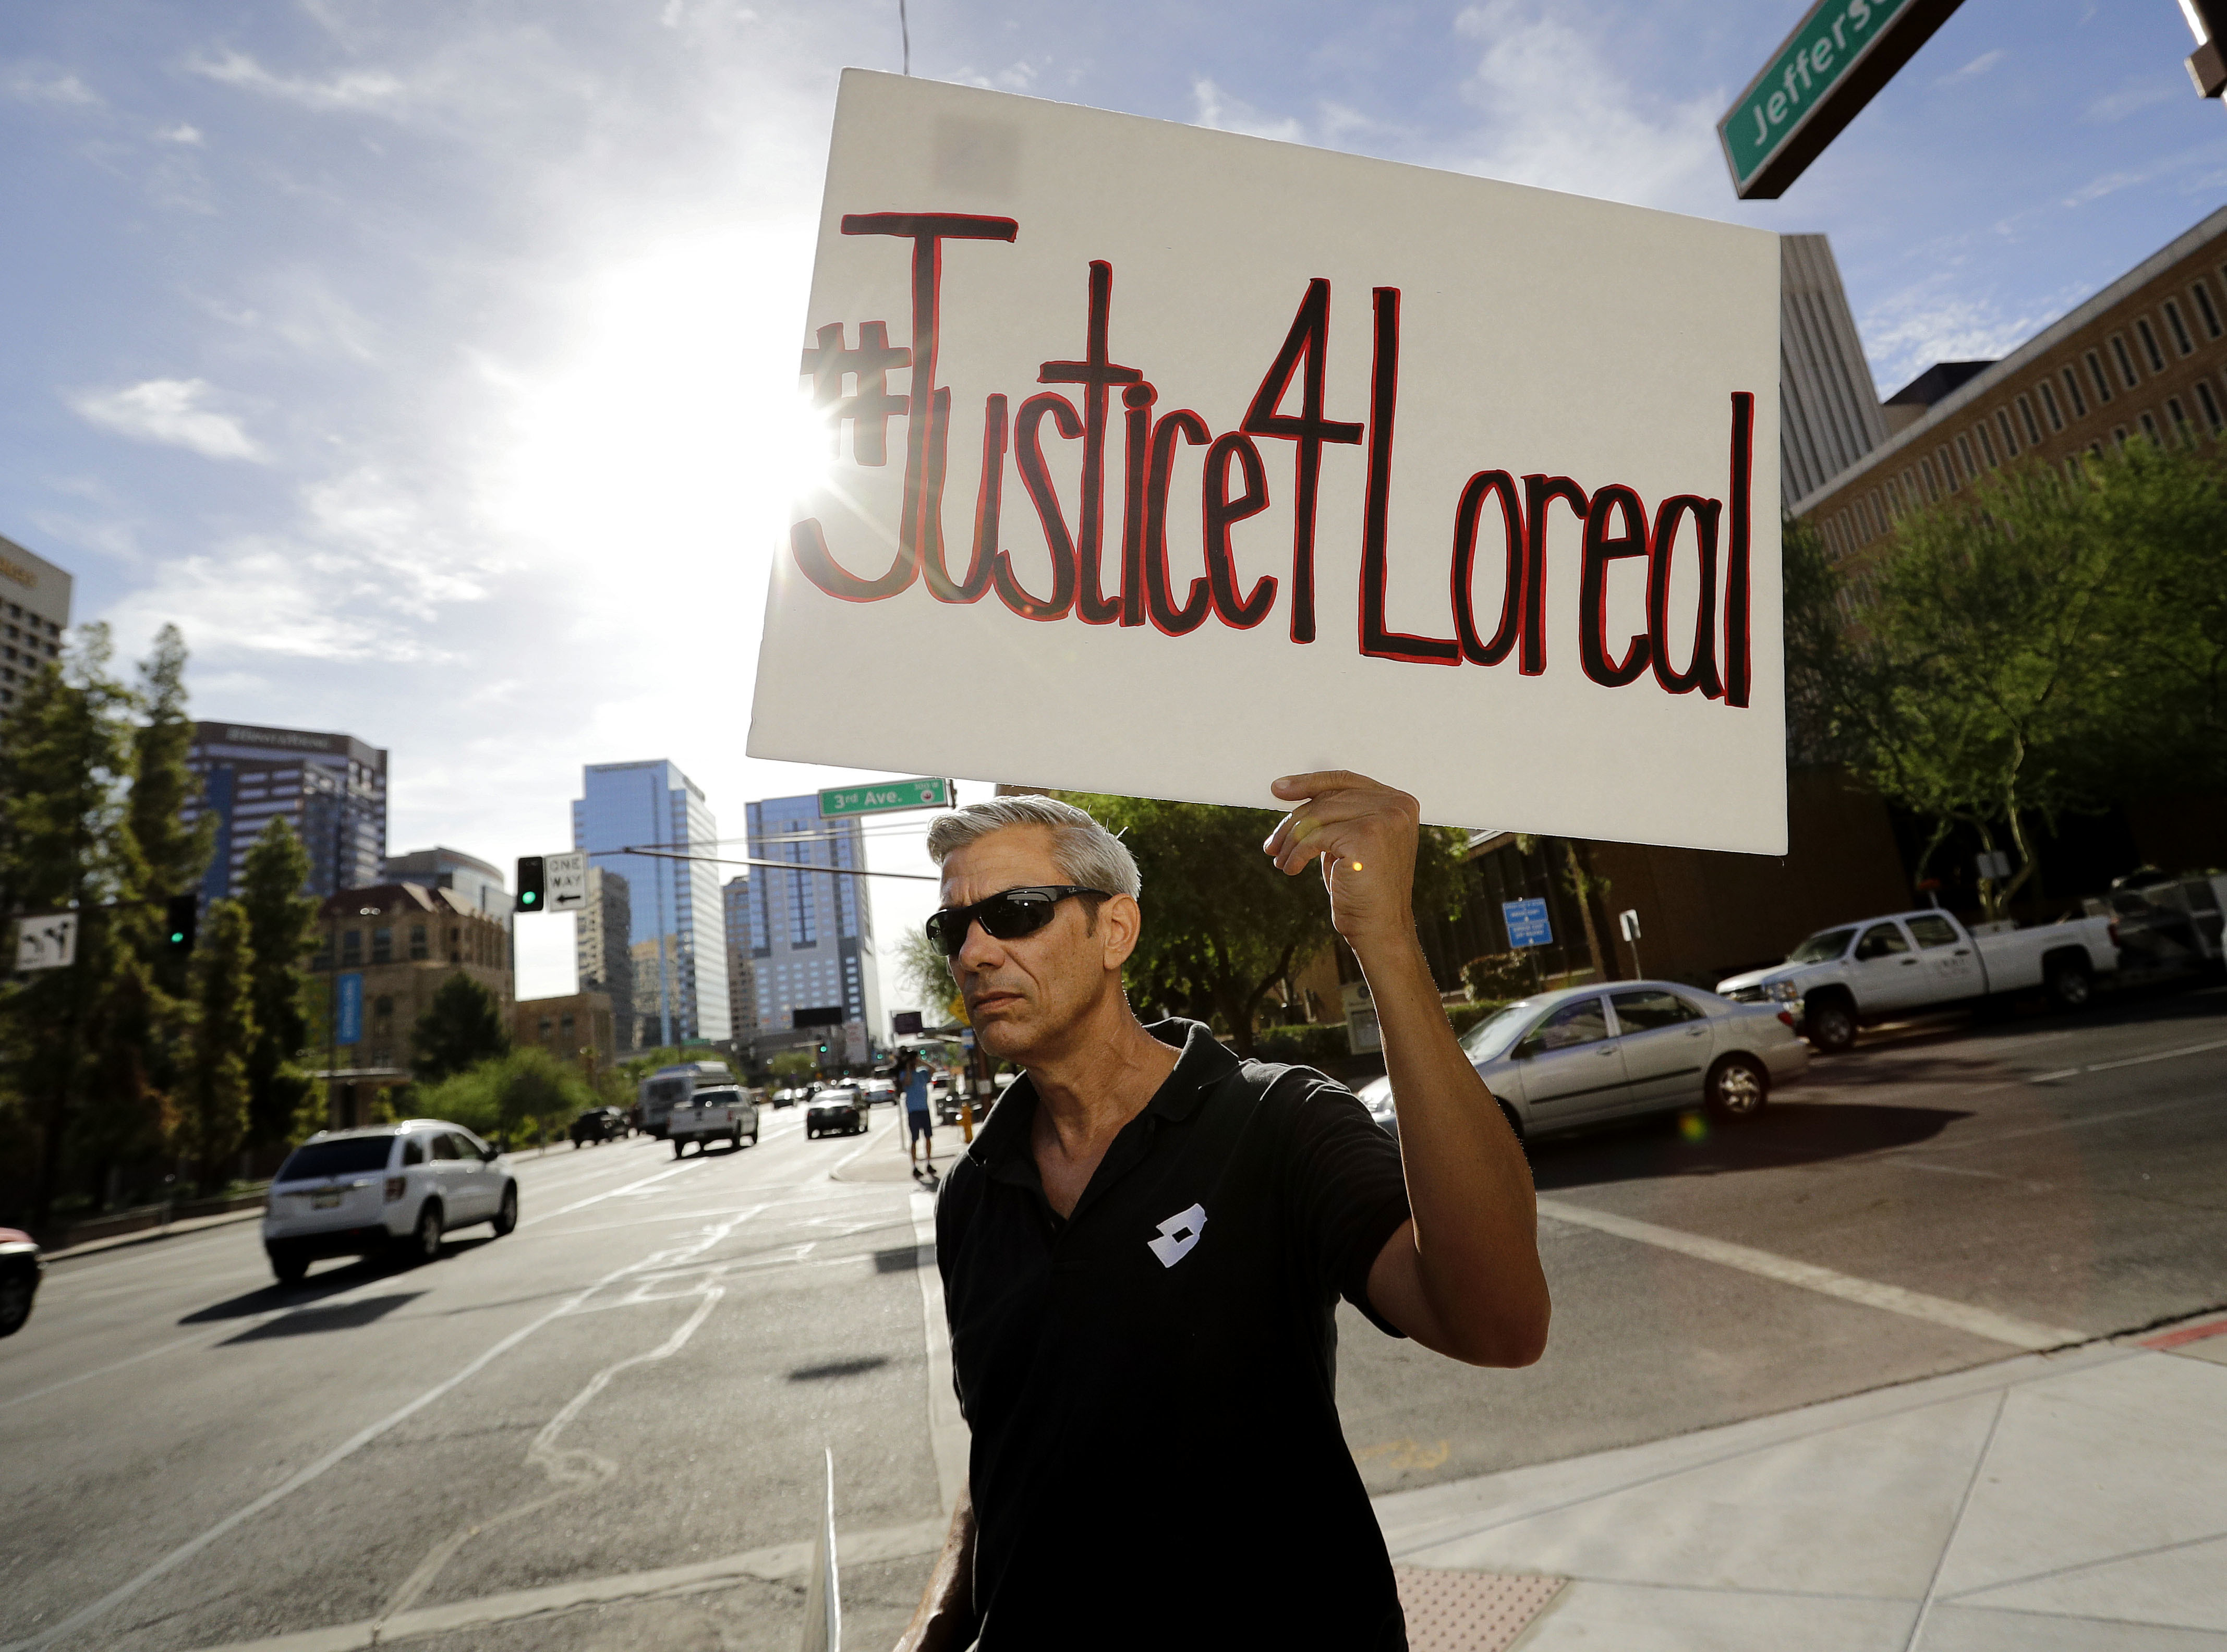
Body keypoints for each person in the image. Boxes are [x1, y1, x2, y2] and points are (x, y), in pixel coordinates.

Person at [894, 774, 1550, 1651]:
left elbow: (1499, 1320)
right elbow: (1009, 1436)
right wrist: (935, 1624)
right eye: (954, 927)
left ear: (1115, 929)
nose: (975, 951)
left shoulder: (1278, 1121)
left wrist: (1384, 939)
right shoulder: (972, 1191)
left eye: (1015, 911)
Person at [900, 1050, 936, 1175]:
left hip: (924, 1109)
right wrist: (909, 1067)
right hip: (913, 1111)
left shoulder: (923, 1073)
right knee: (914, 1139)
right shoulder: (904, 1074)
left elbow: (933, 1069)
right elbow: (908, 1082)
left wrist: (920, 1061)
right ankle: (915, 1166)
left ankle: (929, 1163)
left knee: (928, 1137)